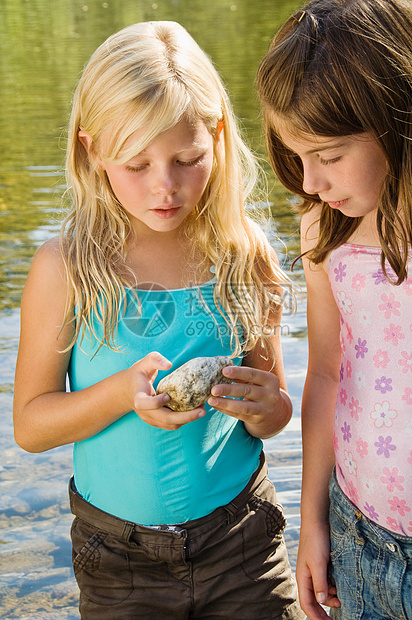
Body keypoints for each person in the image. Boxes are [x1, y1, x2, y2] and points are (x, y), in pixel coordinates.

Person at [13, 21, 305, 620]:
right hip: (119, 560)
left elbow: (272, 414)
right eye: (136, 164)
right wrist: (123, 393)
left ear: (218, 139)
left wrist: (267, 406)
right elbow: (31, 426)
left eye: (187, 158)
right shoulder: (66, 266)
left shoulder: (244, 254)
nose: (164, 186)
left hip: (242, 544)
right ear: (93, 151)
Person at [256, 0, 412, 618]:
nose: (311, 181)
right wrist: (311, 521)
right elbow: (325, 372)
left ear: (395, 117)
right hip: (361, 533)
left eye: (328, 155)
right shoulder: (326, 223)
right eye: (297, 158)